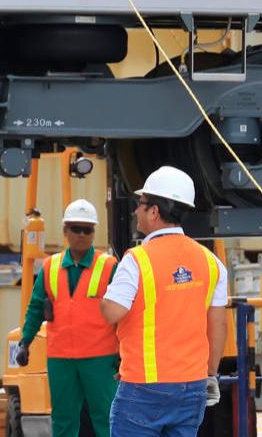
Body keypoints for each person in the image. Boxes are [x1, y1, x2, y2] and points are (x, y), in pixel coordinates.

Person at [99, 166, 228, 437]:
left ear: (154, 211)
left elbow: (112, 312)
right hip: (192, 386)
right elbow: (217, 326)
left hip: (144, 387)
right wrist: (211, 375)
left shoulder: (137, 260)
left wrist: (107, 292)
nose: (135, 210)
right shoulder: (211, 262)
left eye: (140, 204)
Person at [16, 200, 120, 437]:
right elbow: (35, 308)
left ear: (94, 232)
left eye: (88, 229)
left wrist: (124, 351)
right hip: (61, 358)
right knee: (63, 420)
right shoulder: (50, 266)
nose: (82, 234)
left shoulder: (108, 266)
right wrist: (25, 342)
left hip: (101, 358)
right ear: (65, 231)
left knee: (106, 418)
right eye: (76, 228)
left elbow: (124, 313)